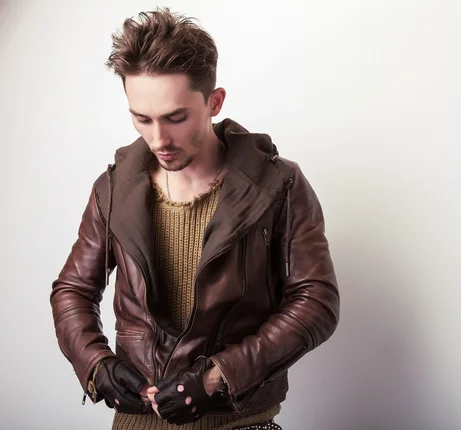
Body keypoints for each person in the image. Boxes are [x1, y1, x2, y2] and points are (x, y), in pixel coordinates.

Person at [49, 7, 340, 430]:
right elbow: (72, 291)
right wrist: (97, 365)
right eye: (141, 119)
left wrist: (220, 377)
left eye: (176, 117)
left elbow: (316, 302)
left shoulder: (279, 184)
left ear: (214, 102)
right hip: (136, 422)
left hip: (242, 420)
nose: (158, 140)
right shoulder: (112, 190)